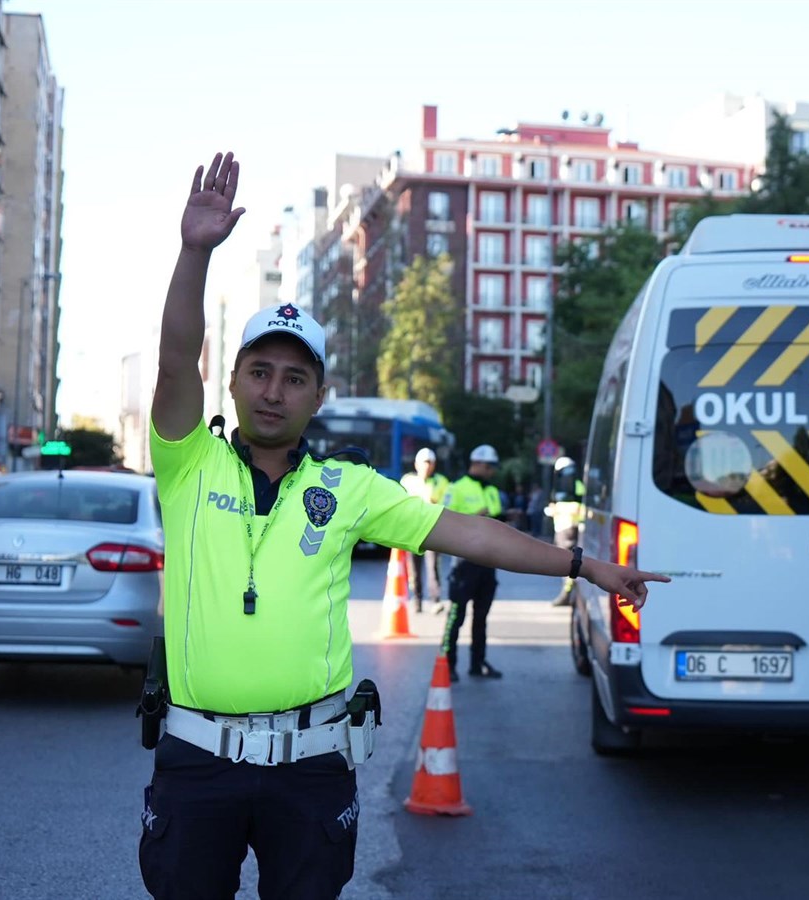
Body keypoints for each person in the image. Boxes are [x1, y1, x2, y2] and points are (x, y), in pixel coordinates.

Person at [142, 151, 668, 899]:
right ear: (231, 380)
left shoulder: (347, 486)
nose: (273, 391)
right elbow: (171, 360)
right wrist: (195, 252)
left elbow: (471, 533)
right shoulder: (188, 466)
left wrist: (584, 566)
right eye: (259, 372)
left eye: (295, 378)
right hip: (197, 762)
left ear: (318, 396)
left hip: (311, 766)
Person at [440, 444, 506, 680]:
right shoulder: (456, 488)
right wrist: (473, 518)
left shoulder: (492, 490)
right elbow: (443, 520)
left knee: (481, 617)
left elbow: (497, 520)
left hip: (488, 562)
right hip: (464, 563)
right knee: (456, 616)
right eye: (489, 467)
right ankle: (447, 665)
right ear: (477, 463)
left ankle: (477, 663)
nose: (492, 472)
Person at [399, 447, 449, 614]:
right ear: (416, 464)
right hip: (412, 530)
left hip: (434, 529)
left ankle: (435, 600)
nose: (427, 467)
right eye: (424, 463)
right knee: (414, 567)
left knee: (433, 565)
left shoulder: (441, 481)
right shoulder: (407, 480)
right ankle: (417, 599)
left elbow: (447, 503)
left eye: (430, 463)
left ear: (434, 465)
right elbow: (401, 504)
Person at [545, 456, 585, 607]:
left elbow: (578, 505)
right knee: (568, 561)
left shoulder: (570, 484)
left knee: (569, 562)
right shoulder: (574, 483)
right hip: (564, 526)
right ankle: (568, 593)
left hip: (568, 526)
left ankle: (567, 594)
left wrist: (556, 509)